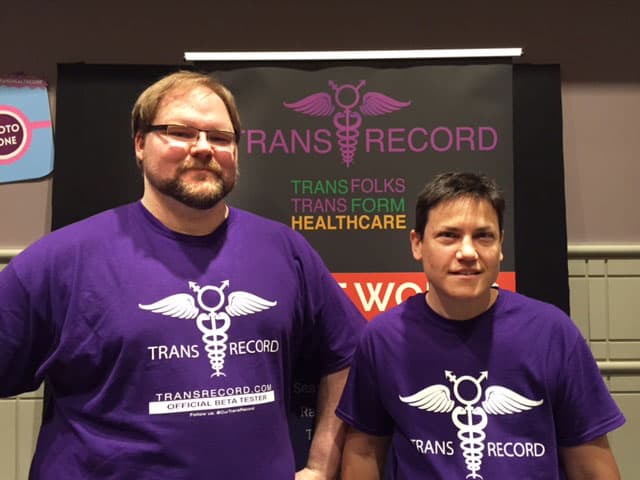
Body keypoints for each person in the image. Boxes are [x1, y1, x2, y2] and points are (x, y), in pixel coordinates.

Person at [0, 70, 366, 479]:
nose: (204, 148)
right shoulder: (62, 260)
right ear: (140, 144)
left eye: (221, 137)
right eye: (180, 132)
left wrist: (320, 466)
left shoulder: (284, 250)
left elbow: (350, 353)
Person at [336, 171, 625, 479]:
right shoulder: (384, 338)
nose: (468, 252)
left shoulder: (553, 333)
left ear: (500, 245)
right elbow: (364, 452)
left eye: (483, 236)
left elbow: (591, 467)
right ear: (417, 244)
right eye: (449, 236)